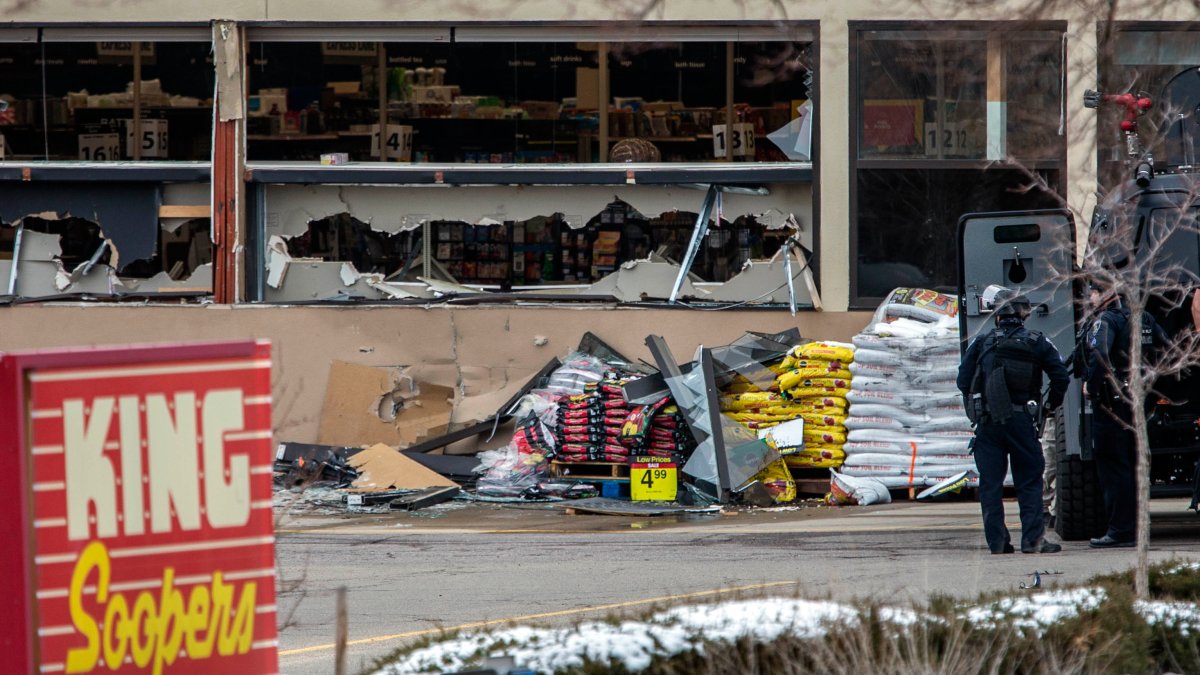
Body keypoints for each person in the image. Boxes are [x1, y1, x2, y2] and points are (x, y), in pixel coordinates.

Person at [958, 288, 1070, 554]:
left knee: (990, 484)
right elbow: (1061, 378)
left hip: (988, 423)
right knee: (1029, 481)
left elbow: (963, 380)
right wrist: (1050, 406)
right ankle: (1033, 541)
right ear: (1023, 315)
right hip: (1023, 421)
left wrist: (977, 407)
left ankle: (997, 543)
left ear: (996, 315)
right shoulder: (1038, 341)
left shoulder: (982, 342)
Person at [1084, 280, 1168, 548]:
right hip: (1139, 400)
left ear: (1105, 294)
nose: (1090, 298)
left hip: (1113, 404)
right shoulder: (1144, 317)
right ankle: (1138, 527)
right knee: (1135, 464)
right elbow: (1166, 349)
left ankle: (1121, 530)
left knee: (1113, 466)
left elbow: (1099, 354)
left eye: (1093, 293)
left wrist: (1094, 389)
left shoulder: (1106, 320)